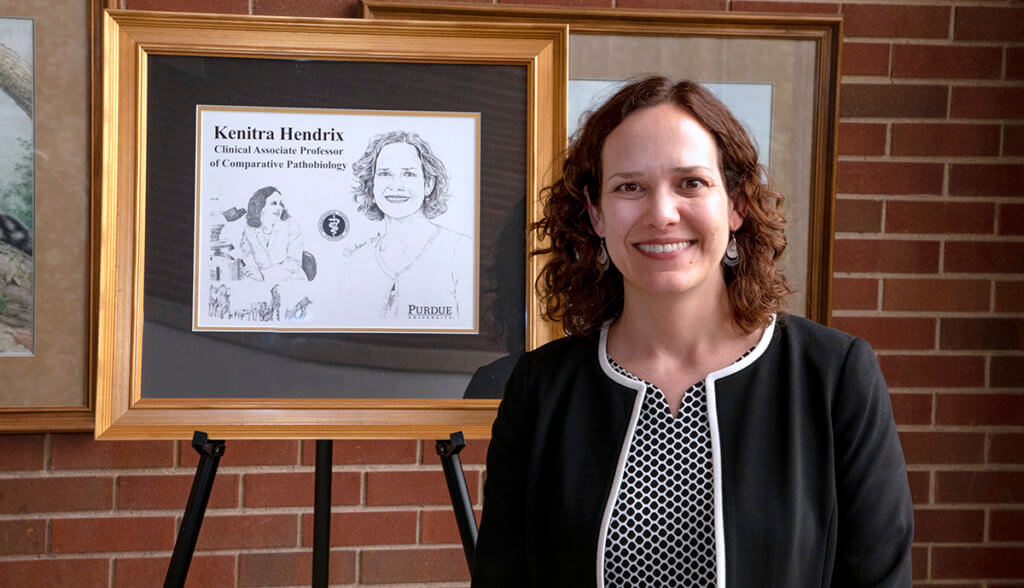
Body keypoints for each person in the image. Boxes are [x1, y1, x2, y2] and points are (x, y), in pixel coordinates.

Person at [472, 78, 913, 586]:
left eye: (691, 183)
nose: (661, 213)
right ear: (596, 213)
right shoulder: (541, 389)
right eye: (629, 187)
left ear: (737, 204)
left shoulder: (834, 377)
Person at [342, 130, 472, 321]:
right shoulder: (355, 263)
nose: (396, 186)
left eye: (409, 174)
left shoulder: (460, 251)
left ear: (428, 184)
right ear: (371, 185)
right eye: (385, 174)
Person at [237, 186, 305, 283]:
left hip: (291, 280)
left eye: (280, 204)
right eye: (274, 203)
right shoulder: (249, 230)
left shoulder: (291, 226)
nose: (279, 208)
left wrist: (264, 275)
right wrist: (252, 272)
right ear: (261, 207)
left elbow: (294, 263)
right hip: (260, 283)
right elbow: (247, 257)